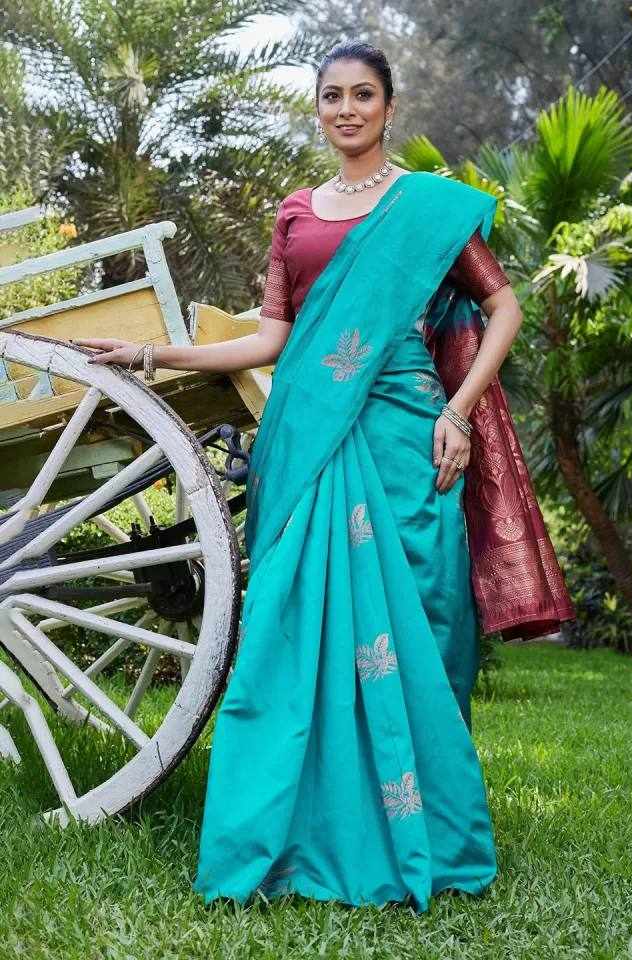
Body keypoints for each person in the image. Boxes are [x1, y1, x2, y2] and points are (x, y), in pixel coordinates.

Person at [76, 40, 574, 912]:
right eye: (332, 96)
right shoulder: (296, 215)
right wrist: (153, 355)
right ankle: (291, 840)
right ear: (319, 108)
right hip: (309, 436)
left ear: (389, 106)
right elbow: (270, 339)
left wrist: (460, 411)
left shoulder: (429, 208)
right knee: (287, 623)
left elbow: (504, 307)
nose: (347, 109)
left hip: (408, 435)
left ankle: (429, 834)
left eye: (363, 95)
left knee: (426, 624)